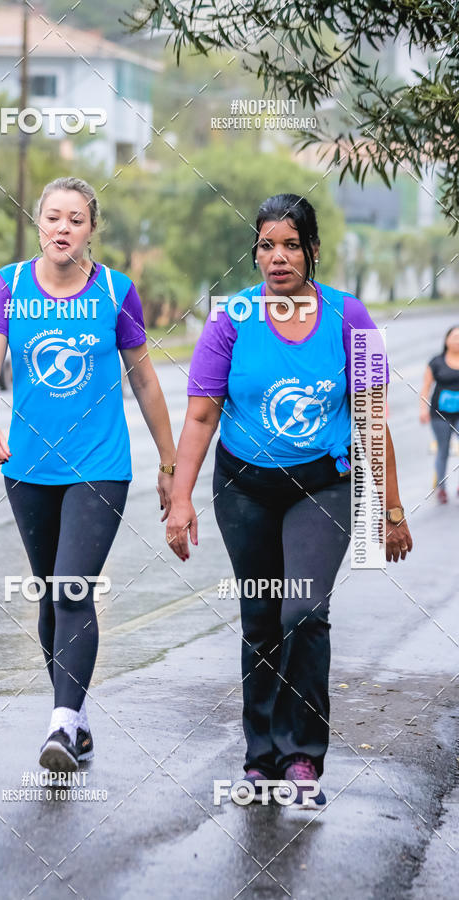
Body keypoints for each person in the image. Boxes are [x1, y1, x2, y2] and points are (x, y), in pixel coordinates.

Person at [165, 193, 412, 809]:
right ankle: (261, 758)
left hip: (324, 484)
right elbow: (200, 416)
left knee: (302, 611)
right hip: (243, 487)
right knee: (260, 619)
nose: (278, 257)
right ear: (255, 253)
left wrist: (392, 508)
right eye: (267, 245)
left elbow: (373, 419)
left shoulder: (350, 318)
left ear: (313, 251)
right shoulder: (231, 320)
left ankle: (302, 754)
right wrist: (179, 498)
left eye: (291, 245)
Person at [0, 176, 177, 774]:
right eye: (53, 217)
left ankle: (59, 724)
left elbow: (143, 381)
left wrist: (169, 464)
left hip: (100, 464)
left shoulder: (116, 290)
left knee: (71, 586)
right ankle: (76, 719)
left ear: (92, 229)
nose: (63, 228)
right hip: (29, 466)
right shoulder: (9, 285)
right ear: (39, 222)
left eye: (76, 219)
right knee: (48, 590)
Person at [419, 325, 459, 503]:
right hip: (439, 415)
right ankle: (441, 488)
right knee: (442, 450)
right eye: (454, 336)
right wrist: (423, 409)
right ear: (446, 340)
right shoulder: (436, 362)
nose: (457, 340)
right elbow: (426, 387)